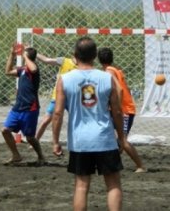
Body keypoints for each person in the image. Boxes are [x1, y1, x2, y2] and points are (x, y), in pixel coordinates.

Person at [52, 36, 128, 211]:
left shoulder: (64, 79)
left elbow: (57, 113)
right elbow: (117, 111)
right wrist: (121, 138)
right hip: (105, 139)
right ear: (95, 55)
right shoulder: (107, 78)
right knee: (113, 184)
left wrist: (55, 141)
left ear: (74, 56)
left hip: (80, 141)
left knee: (81, 186)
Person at [98, 47, 147, 173]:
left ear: (99, 60)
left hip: (124, 111)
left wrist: (117, 107)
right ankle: (111, 164)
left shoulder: (109, 71)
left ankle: (141, 166)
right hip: (123, 109)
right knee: (109, 136)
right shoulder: (116, 70)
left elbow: (119, 89)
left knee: (123, 141)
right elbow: (126, 89)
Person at [2, 43, 45, 165]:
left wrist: (25, 55)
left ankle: (41, 157)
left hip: (30, 108)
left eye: (25, 56)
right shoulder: (22, 70)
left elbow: (33, 68)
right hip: (18, 107)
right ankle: (16, 155)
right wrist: (12, 54)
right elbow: (8, 71)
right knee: (5, 130)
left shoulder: (34, 70)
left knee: (30, 137)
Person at [34, 53, 76, 142]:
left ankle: (77, 141)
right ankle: (35, 140)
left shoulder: (82, 66)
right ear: (73, 55)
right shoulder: (64, 61)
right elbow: (46, 60)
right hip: (58, 96)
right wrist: (34, 52)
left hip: (72, 98)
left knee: (77, 120)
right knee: (47, 119)